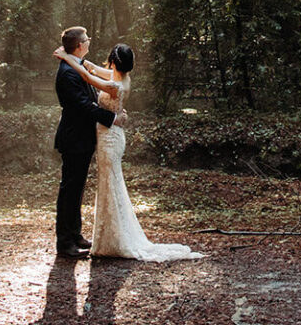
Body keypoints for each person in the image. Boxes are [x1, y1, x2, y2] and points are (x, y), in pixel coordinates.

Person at [54, 42, 203, 261]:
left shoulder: (115, 85)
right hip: (108, 137)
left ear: (113, 61)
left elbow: (88, 78)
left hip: (110, 139)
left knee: (110, 185)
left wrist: (68, 59)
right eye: (85, 40)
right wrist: (76, 60)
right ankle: (97, 235)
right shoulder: (120, 77)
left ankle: (115, 237)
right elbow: (93, 69)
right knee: (107, 185)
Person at [54, 26, 125, 260]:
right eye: (86, 39)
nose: (89, 41)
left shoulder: (78, 65)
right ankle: (65, 242)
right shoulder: (68, 72)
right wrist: (112, 119)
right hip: (74, 138)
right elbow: (83, 106)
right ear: (79, 45)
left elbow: (92, 94)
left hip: (82, 138)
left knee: (77, 189)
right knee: (70, 190)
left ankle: (75, 235)